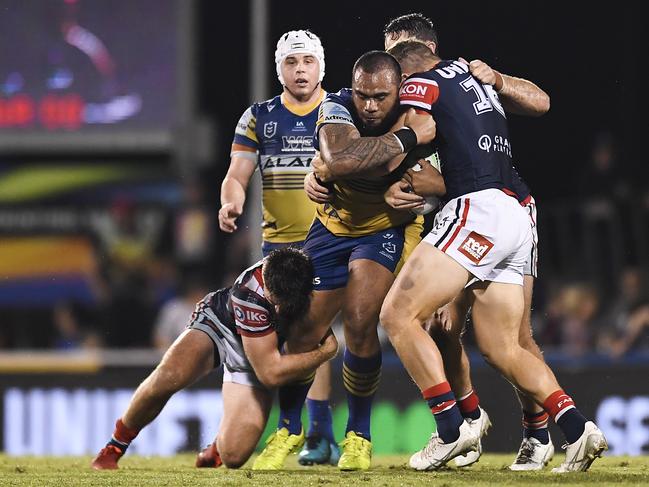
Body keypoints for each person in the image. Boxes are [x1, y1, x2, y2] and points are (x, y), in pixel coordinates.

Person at [379, 40, 607, 472]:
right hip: (514, 213)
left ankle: (453, 429)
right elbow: (534, 105)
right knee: (504, 345)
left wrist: (381, 167)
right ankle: (576, 430)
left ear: (406, 66)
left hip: (477, 210)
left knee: (397, 315)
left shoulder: (421, 82)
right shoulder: (472, 79)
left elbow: (418, 130)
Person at [253, 50, 438, 472]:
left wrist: (419, 186)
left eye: (380, 97)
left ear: (398, 91)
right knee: (302, 329)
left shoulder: (421, 109)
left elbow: (448, 177)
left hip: (385, 229)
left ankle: (359, 434)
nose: (370, 106)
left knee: (360, 320)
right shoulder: (338, 105)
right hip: (333, 226)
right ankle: (288, 428)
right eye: (363, 96)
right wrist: (402, 145)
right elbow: (340, 158)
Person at [90, 247, 338, 470]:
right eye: (276, 301)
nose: (281, 309)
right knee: (169, 375)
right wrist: (324, 353)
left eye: (287, 302)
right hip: (221, 326)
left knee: (234, 456)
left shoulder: (314, 285)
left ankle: (218, 446)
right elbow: (271, 374)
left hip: (261, 349)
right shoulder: (250, 292)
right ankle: (115, 445)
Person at [215, 29, 339, 466]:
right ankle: (310, 433)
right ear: (279, 68)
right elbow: (237, 172)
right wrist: (231, 200)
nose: (300, 70)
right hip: (278, 249)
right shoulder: (259, 116)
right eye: (291, 62)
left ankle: (319, 433)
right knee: (299, 339)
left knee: (314, 331)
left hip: (331, 241)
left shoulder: (339, 110)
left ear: (321, 65)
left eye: (307, 61)